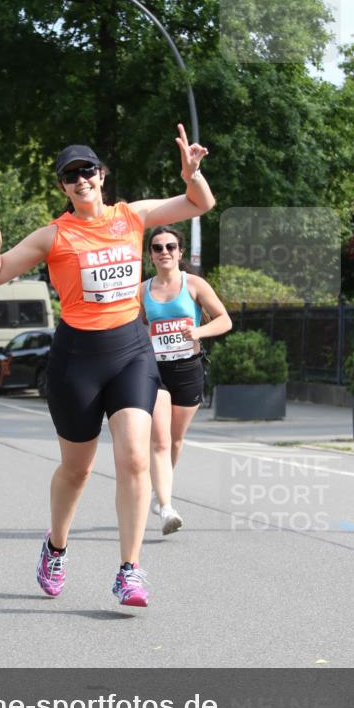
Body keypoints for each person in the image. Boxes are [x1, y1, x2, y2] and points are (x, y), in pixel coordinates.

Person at [0, 124, 215, 607]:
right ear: (63, 187)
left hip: (129, 351)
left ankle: (130, 570)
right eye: (70, 176)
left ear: (102, 176)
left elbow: (199, 204)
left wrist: (193, 174)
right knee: (77, 470)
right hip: (76, 359)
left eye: (87, 171)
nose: (81, 180)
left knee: (133, 458)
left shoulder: (133, 216)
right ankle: (56, 545)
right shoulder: (52, 236)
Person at [140, 226, 232, 534]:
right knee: (161, 440)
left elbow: (224, 319)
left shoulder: (193, 284)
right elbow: (134, 327)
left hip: (188, 368)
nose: (164, 252)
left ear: (180, 252)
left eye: (170, 246)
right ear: (150, 254)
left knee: (176, 440)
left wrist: (199, 332)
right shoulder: (142, 290)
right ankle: (166, 507)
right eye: (157, 247)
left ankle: (159, 490)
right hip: (155, 372)